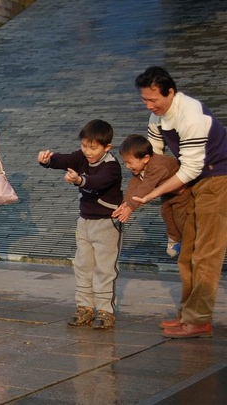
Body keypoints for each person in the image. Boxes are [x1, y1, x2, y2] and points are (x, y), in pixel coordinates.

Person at [133, 66, 227, 339]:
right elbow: (155, 156)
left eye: (154, 100)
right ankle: (187, 314)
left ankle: (199, 320)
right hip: (192, 182)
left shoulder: (192, 116)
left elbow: (191, 169)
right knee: (187, 253)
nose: (150, 106)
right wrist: (140, 181)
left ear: (170, 92)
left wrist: (152, 194)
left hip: (218, 180)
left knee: (207, 252)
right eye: (145, 100)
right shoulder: (157, 117)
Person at [38, 119, 123, 329]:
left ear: (107, 147)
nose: (87, 152)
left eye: (93, 148)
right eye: (84, 146)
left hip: (107, 223)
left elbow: (98, 181)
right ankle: (84, 307)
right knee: (82, 266)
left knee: (105, 268)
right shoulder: (81, 157)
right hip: (84, 221)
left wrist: (79, 181)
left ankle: (105, 310)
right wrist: (47, 160)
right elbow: (63, 159)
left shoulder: (111, 166)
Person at [112, 134, 191, 257]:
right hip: (167, 193)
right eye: (125, 163)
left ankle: (189, 242)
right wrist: (126, 203)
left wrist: (131, 207)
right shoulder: (141, 167)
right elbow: (134, 184)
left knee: (181, 217)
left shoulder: (157, 166)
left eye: (129, 162)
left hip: (183, 193)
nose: (127, 166)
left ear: (145, 158)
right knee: (166, 213)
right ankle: (174, 238)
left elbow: (146, 187)